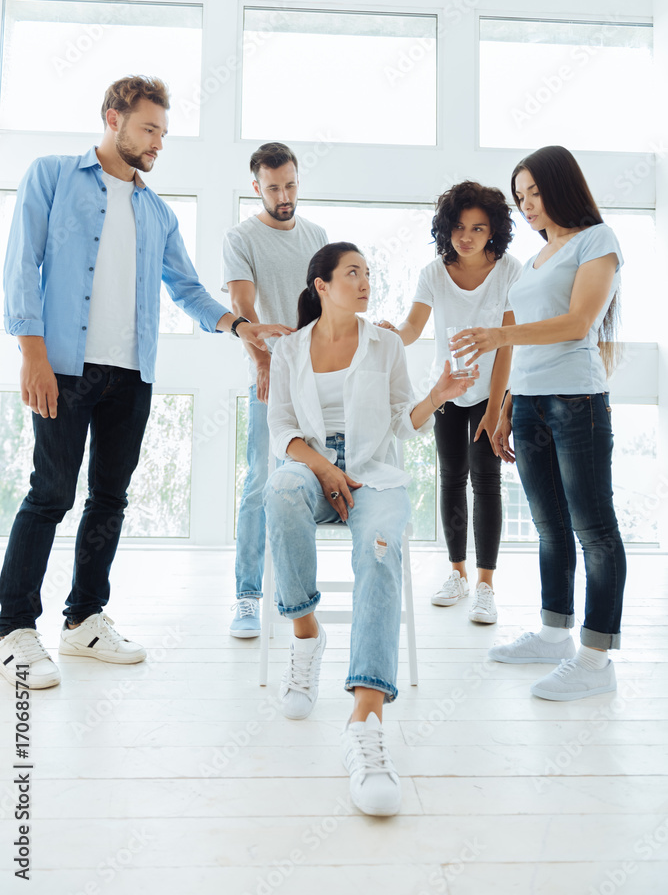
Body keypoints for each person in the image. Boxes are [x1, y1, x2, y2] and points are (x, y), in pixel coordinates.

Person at [0, 75, 290, 691]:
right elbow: (21, 261)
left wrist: (239, 325)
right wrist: (31, 353)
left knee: (110, 498)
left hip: (131, 375)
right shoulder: (52, 176)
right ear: (113, 118)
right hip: (65, 366)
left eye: (163, 130)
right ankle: (14, 628)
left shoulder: (155, 209)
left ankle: (83, 620)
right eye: (149, 128)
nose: (158, 141)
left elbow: (184, 285)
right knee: (50, 494)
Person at [263, 242, 477, 816]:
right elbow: (282, 428)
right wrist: (326, 470)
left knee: (381, 552)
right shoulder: (288, 351)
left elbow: (402, 422)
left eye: (368, 274)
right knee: (279, 491)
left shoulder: (385, 344)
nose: (364, 282)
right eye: (351, 273)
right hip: (311, 470)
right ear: (321, 285)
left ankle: (366, 723)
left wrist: (438, 396)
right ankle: (306, 633)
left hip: (375, 478)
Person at [451, 145, 626, 701]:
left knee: (594, 530)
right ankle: (555, 634)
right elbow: (526, 347)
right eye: (520, 196)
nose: (526, 205)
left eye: (534, 192)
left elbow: (577, 323)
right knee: (550, 527)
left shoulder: (598, 241)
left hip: (576, 402)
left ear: (562, 186)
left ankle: (595, 659)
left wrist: (498, 336)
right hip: (528, 405)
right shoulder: (535, 260)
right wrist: (502, 407)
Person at [378, 182, 521, 623]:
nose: (467, 236)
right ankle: (457, 573)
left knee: (487, 482)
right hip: (448, 391)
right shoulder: (434, 272)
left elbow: (507, 346)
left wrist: (496, 408)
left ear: (493, 230)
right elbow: (413, 328)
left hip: (491, 392)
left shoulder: (511, 271)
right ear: (446, 228)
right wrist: (389, 334)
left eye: (478, 228)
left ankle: (485, 585)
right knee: (451, 480)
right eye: (459, 227)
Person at [222, 143, 327, 638]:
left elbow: (330, 309)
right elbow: (243, 309)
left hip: (318, 378)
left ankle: (300, 598)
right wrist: (263, 361)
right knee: (261, 482)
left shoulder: (318, 236)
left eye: (289, 185)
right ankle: (247, 595)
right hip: (268, 374)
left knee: (307, 482)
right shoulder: (241, 238)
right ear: (256, 187)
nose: (283, 196)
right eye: (272, 188)